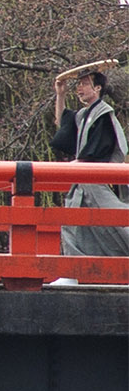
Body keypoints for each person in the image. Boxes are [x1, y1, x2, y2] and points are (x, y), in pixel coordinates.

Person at [53, 65, 129, 261]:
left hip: (95, 180)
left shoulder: (103, 114)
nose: (80, 88)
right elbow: (63, 124)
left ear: (97, 89)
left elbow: (95, 153)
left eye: (85, 84)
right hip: (82, 181)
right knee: (72, 224)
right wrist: (60, 95)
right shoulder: (84, 114)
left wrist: (75, 166)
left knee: (116, 223)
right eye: (78, 84)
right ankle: (72, 271)